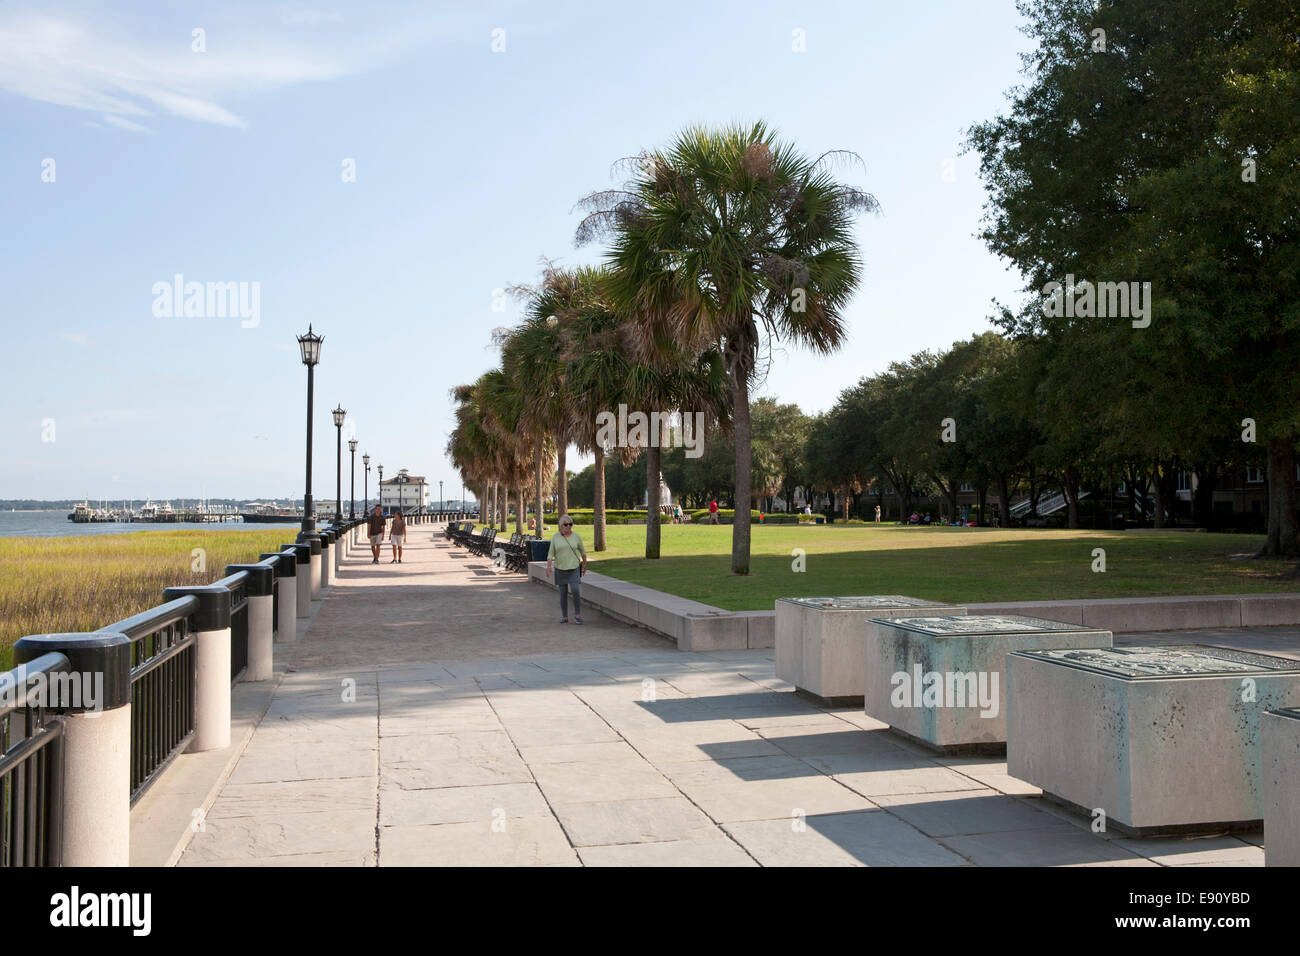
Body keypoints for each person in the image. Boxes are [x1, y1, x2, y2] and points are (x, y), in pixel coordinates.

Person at [545, 513, 588, 624]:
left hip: (573, 568)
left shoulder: (576, 536)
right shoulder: (555, 537)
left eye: (570, 524)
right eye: (566, 524)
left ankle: (577, 615)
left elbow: (583, 552)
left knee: (575, 590)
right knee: (563, 593)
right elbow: (550, 553)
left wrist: (584, 564)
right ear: (560, 526)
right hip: (560, 568)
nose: (568, 526)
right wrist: (549, 566)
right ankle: (564, 616)